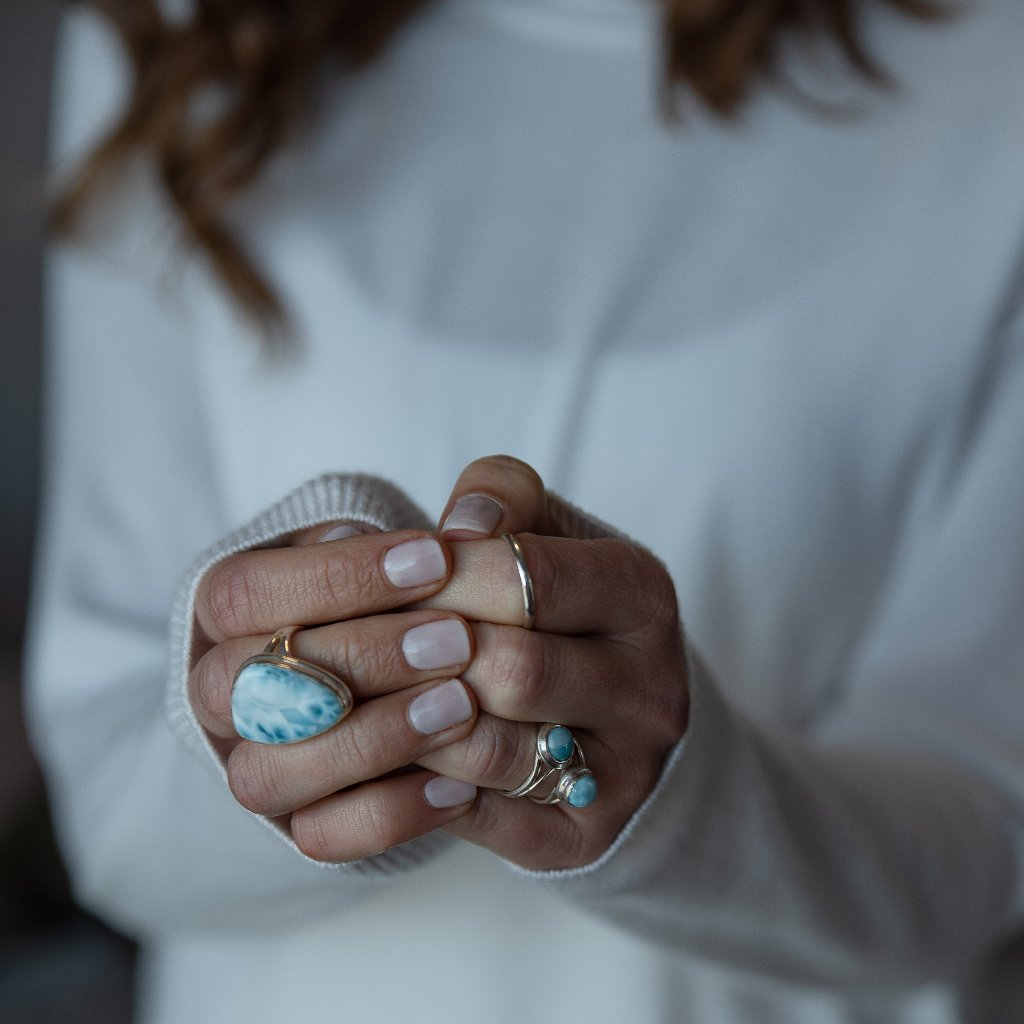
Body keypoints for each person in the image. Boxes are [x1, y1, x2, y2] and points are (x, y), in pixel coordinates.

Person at [25, 0, 1024, 1021]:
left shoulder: (992, 72)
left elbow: (987, 848)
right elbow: (105, 808)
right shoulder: (177, 33)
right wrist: (296, 743)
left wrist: (681, 801)